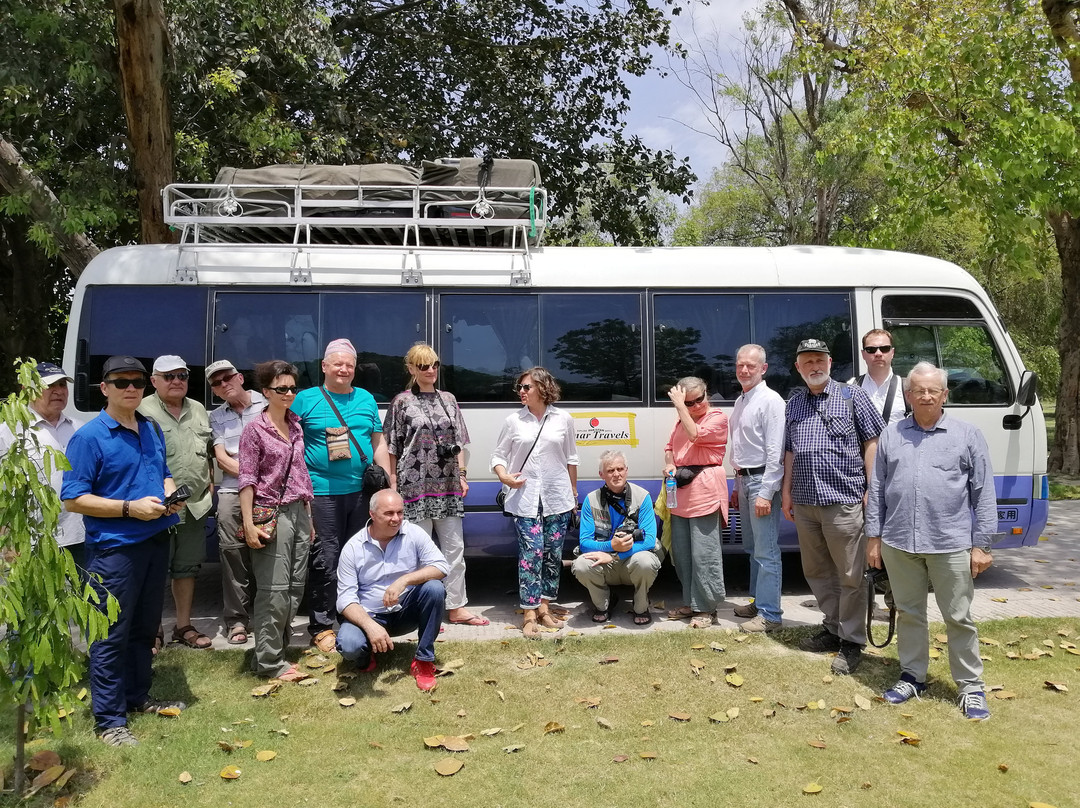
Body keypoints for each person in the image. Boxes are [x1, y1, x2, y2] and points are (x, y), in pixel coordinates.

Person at [61, 355, 186, 746]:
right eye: (120, 382)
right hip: (114, 550)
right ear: (104, 388)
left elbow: (161, 471)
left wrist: (169, 492)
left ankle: (136, 698)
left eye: (136, 381)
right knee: (110, 634)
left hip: (155, 541)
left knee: (144, 629)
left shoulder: (150, 428)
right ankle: (109, 721)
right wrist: (129, 509)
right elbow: (73, 499)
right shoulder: (89, 436)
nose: (130, 388)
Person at [866, 362, 996, 720]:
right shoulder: (892, 435)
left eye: (932, 390)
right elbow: (877, 488)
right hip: (898, 542)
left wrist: (982, 544)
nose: (925, 396)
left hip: (950, 544)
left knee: (958, 617)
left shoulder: (967, 434)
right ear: (908, 395)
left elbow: (983, 493)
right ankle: (912, 676)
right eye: (918, 390)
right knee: (908, 613)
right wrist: (873, 537)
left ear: (944, 395)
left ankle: (970, 687)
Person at [782, 338, 885, 675]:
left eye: (820, 360)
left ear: (830, 363)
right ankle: (833, 628)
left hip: (844, 500)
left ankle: (852, 642)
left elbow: (873, 442)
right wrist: (786, 492)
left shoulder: (852, 396)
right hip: (805, 503)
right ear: (798, 368)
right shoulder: (793, 405)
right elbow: (790, 453)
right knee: (817, 571)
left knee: (851, 575)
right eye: (807, 361)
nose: (814, 366)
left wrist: (873, 487)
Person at [292, 338, 391, 653]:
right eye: (337, 363)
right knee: (326, 559)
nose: (344, 369)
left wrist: (388, 487)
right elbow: (291, 444)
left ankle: (353, 619)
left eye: (349, 364)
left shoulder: (365, 399)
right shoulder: (305, 400)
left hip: (361, 492)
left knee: (360, 558)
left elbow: (378, 443)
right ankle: (321, 627)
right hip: (321, 493)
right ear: (324, 366)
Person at [384, 343, 486, 626]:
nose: (430, 370)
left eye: (434, 365)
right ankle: (425, 610)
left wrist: (462, 473)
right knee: (418, 552)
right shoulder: (401, 402)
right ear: (411, 369)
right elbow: (392, 446)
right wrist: (392, 483)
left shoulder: (449, 399)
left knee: (454, 549)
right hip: (413, 486)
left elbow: (460, 442)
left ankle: (456, 608)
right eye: (423, 366)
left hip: (448, 484)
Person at [238, 360, 315, 680]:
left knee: (295, 589)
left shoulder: (296, 425)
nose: (288, 393)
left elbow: (300, 474)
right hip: (271, 513)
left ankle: (274, 653)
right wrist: (247, 524)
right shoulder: (254, 430)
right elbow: (247, 479)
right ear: (265, 391)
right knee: (274, 590)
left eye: (292, 388)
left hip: (298, 512)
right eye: (281, 388)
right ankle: (270, 662)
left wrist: (309, 519)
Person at [491, 367, 578, 639]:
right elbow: (497, 456)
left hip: (557, 497)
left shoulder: (563, 419)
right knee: (531, 554)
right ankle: (528, 614)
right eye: (520, 387)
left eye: (527, 387)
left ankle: (544, 608)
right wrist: (504, 476)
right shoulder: (513, 421)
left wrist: (573, 494)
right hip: (525, 499)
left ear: (543, 388)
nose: (521, 391)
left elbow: (571, 458)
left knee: (552, 555)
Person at [335, 489, 449, 691]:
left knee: (434, 588)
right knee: (350, 646)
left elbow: (441, 566)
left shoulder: (413, 533)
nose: (396, 519)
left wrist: (404, 580)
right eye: (388, 513)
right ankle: (366, 654)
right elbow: (345, 600)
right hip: (370, 615)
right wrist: (370, 626)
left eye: (400, 512)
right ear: (372, 514)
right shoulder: (353, 548)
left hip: (405, 611)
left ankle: (423, 661)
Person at [137, 355, 214, 651]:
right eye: (168, 376)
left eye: (181, 375)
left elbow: (207, 450)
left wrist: (209, 479)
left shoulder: (198, 409)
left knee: (187, 568)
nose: (176, 381)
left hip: (194, 506)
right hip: (157, 508)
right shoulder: (142, 410)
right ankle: (153, 629)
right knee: (155, 570)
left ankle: (183, 626)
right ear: (154, 381)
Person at [0, 362, 85, 566]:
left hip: (79, 537)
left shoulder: (80, 429)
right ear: (26, 389)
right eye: (49, 385)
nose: (58, 391)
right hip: (30, 541)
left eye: (63, 384)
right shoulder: (9, 432)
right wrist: (8, 540)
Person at [207, 359, 267, 645]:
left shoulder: (268, 402)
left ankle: (270, 618)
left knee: (271, 553)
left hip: (269, 490)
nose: (223, 385)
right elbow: (222, 459)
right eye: (216, 383)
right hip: (232, 489)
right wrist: (250, 473)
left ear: (240, 377)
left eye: (227, 378)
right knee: (232, 553)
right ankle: (237, 621)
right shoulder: (216, 417)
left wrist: (256, 476)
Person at [663, 376, 729, 629]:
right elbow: (670, 446)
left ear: (706, 394)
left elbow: (695, 435)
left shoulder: (717, 418)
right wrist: (670, 464)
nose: (694, 406)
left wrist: (680, 406)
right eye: (688, 403)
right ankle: (692, 603)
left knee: (704, 554)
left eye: (697, 400)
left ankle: (706, 608)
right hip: (680, 492)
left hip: (705, 490)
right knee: (682, 554)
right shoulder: (682, 419)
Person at [728, 345, 785, 633]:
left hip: (762, 482)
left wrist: (765, 492)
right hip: (745, 480)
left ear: (763, 368)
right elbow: (741, 447)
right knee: (752, 549)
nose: (744, 370)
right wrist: (737, 484)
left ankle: (771, 615)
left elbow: (776, 453)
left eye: (751, 365)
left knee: (766, 551)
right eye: (740, 365)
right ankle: (758, 602)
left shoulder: (770, 401)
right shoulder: (741, 401)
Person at [570, 450, 660, 625]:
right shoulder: (591, 499)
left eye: (620, 469)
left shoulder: (643, 497)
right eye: (611, 471)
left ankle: (641, 606)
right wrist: (612, 545)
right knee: (581, 564)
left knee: (646, 561)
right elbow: (584, 543)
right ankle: (604, 603)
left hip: (631, 559)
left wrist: (615, 554)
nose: (616, 474)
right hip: (605, 564)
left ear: (627, 470)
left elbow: (649, 540)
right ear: (601, 475)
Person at [856, 329, 908, 425]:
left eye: (884, 349)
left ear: (892, 353)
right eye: (871, 350)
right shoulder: (851, 387)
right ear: (863, 354)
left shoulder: (907, 387)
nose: (878, 354)